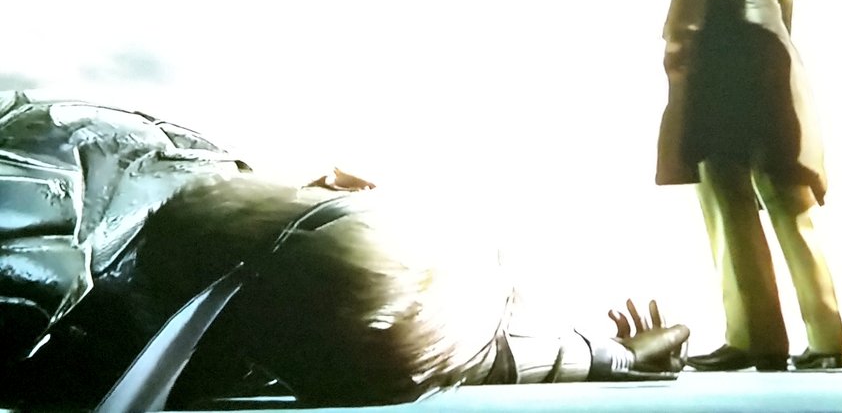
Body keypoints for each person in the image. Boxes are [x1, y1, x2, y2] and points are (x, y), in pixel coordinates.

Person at [0, 92, 689, 410]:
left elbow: (461, 350)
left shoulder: (283, 299)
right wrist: (618, 357)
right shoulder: (287, 320)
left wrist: (620, 356)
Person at [654, 0, 842, 371]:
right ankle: (829, 338)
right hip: (771, 56)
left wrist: (678, 42)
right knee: (789, 198)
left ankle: (753, 337)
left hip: (722, 60)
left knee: (726, 196)